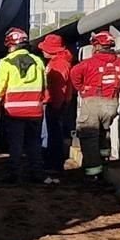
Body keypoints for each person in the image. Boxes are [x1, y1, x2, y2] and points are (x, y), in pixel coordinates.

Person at [70, 31, 120, 183]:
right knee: (104, 132)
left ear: (97, 46)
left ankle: (93, 172)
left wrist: (82, 90)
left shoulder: (88, 63)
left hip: (92, 103)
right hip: (111, 103)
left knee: (89, 136)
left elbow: (74, 74)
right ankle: (104, 161)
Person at [0, 27, 48, 184]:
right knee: (34, 143)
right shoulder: (38, 61)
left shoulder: (6, 62)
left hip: (14, 112)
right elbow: (44, 86)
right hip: (35, 111)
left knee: (15, 144)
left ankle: (14, 175)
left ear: (11, 45)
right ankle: (37, 174)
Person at [38, 33, 74, 182]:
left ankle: (52, 164)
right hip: (56, 103)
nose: (42, 51)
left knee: (51, 134)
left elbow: (59, 87)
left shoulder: (58, 64)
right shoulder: (60, 61)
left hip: (54, 103)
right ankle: (54, 163)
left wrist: (55, 104)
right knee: (54, 133)